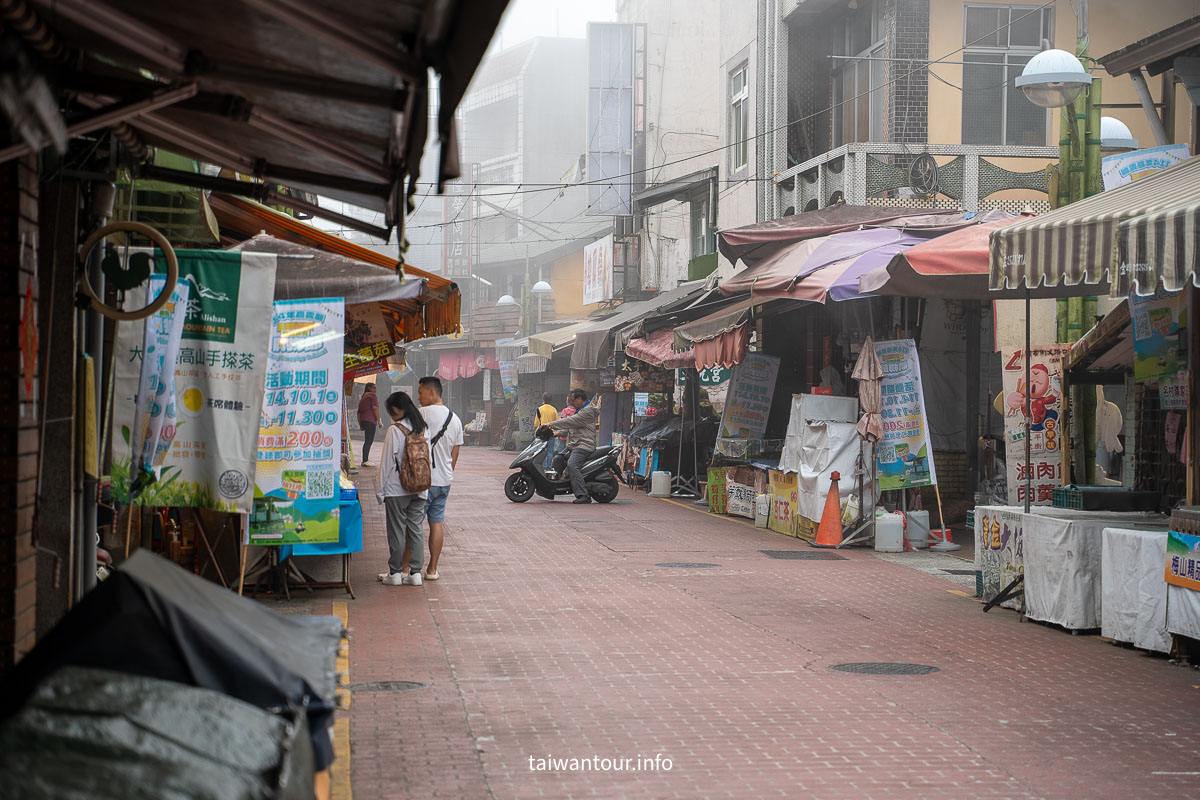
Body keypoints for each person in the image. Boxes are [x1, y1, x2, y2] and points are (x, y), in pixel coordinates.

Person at [402, 376, 463, 582]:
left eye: (420, 392)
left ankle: (405, 569)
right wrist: (446, 473)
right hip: (444, 480)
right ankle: (432, 569)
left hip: (422, 481)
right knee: (437, 523)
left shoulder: (418, 415)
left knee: (414, 524)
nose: (418, 397)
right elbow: (455, 453)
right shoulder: (455, 419)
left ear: (431, 392)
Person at [376, 391, 430, 586]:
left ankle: (395, 573)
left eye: (392, 409)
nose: (391, 413)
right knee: (416, 530)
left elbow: (387, 463)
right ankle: (416, 573)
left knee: (397, 531)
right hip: (420, 487)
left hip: (396, 489)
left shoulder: (394, 430)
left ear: (402, 409)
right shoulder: (423, 429)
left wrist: (379, 490)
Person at [542, 389, 600, 503]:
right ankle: (553, 489)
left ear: (579, 399)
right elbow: (570, 428)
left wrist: (550, 424)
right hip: (574, 445)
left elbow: (570, 421)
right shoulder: (579, 410)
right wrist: (555, 433)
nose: (571, 402)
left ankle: (583, 495)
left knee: (572, 465)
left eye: (573, 400)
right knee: (557, 459)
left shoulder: (587, 411)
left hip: (584, 445)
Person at [357, 383, 380, 466]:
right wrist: (379, 421)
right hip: (370, 420)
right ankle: (365, 460)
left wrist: (360, 424)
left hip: (364, 420)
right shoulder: (372, 396)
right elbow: (375, 408)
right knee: (369, 441)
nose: (375, 389)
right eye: (374, 387)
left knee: (367, 440)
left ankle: (365, 459)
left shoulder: (363, 397)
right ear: (369, 388)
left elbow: (358, 413)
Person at [535, 392, 559, 469]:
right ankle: (549, 466)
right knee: (550, 451)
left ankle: (544, 466)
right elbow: (556, 422)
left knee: (542, 450)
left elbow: (536, 424)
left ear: (543, 399)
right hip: (551, 433)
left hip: (542, 433)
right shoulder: (554, 409)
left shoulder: (540, 409)